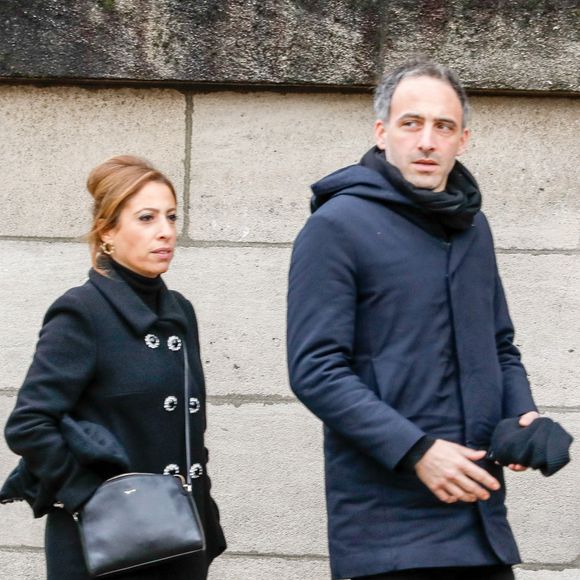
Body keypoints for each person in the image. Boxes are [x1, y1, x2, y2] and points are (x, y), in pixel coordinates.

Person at [287, 59, 540, 580]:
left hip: (480, 523)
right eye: (411, 123)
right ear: (382, 133)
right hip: (388, 538)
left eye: (443, 126)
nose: (427, 141)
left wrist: (522, 417)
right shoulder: (336, 226)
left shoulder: (473, 228)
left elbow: (499, 346)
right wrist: (418, 452)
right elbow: (315, 369)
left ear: (462, 140)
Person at [3, 156, 226, 580]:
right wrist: (93, 499)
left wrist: (203, 517)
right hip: (104, 547)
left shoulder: (180, 312)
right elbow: (29, 424)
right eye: (146, 218)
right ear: (107, 231)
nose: (165, 231)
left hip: (178, 541)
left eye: (171, 216)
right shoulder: (82, 311)